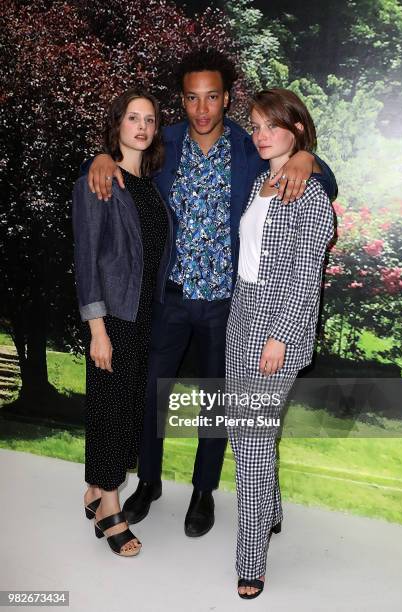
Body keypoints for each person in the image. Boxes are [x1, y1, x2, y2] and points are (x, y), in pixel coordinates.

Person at [84, 48, 338, 538]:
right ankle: (149, 483)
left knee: (217, 402)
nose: (202, 109)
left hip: (228, 305)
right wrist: (100, 155)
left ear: (227, 99)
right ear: (183, 101)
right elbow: (125, 157)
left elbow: (323, 178)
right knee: (151, 395)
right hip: (171, 297)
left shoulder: (250, 146)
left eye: (213, 97)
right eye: (192, 98)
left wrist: (309, 157)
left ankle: (203, 493)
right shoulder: (166, 143)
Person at [225, 89, 335, 598]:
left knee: (250, 446)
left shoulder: (308, 192)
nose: (261, 135)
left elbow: (305, 273)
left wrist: (280, 337)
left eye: (272, 126)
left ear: (297, 130)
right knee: (248, 435)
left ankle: (251, 562)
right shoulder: (261, 183)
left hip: (275, 324)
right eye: (256, 125)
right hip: (240, 315)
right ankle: (269, 512)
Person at [72, 88, 171, 556]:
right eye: (133, 118)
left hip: (144, 316)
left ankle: (95, 490)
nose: (142, 127)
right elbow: (86, 260)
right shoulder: (99, 180)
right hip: (112, 317)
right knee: (110, 412)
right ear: (118, 125)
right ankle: (110, 509)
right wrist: (97, 329)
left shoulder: (149, 186)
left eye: (149, 120)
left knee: (127, 412)